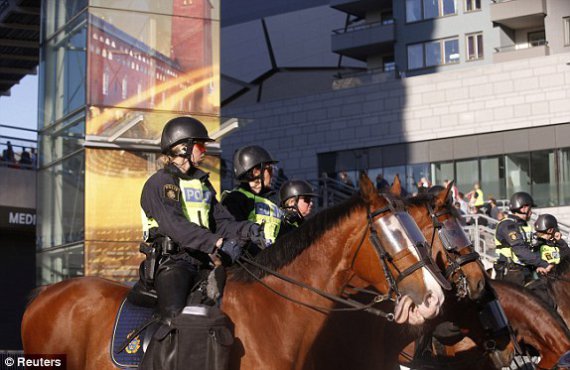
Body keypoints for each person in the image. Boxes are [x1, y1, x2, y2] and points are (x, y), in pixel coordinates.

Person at [135, 116, 265, 324]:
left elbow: (221, 222)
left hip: (202, 261)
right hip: (173, 263)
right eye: (200, 145)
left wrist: (247, 230)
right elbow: (175, 225)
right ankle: (153, 356)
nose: (204, 151)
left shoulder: (202, 184)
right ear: (183, 148)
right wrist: (216, 242)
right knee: (175, 321)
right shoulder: (161, 182)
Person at [222, 145, 282, 250]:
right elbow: (233, 233)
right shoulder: (236, 199)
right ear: (256, 172)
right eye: (269, 169)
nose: (272, 174)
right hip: (251, 262)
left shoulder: (273, 200)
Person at [494, 192, 553, 285]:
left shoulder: (525, 226)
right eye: (530, 208)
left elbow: (532, 249)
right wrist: (543, 264)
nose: (531, 211)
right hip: (511, 274)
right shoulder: (508, 225)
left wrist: (537, 266)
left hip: (524, 271)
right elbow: (520, 250)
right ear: (523, 208)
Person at [526, 213, 570, 307]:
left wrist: (560, 241)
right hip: (543, 281)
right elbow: (533, 260)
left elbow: (566, 256)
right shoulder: (536, 244)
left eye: (541, 232)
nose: (540, 235)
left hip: (558, 280)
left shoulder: (557, 243)